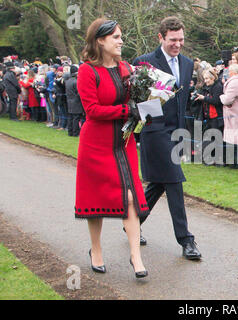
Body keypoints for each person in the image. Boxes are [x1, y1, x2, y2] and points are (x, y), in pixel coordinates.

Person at [76, 18, 149, 278]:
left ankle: (135, 257)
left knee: (130, 197)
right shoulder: (87, 71)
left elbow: (138, 101)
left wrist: (146, 108)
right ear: (100, 40)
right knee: (95, 199)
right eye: (116, 37)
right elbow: (92, 111)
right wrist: (125, 110)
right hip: (96, 143)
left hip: (124, 141)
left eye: (121, 36)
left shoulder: (127, 68)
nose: (121, 41)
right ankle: (96, 250)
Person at [133, 16, 201, 260]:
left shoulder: (186, 63)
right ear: (160, 38)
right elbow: (138, 99)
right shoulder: (144, 62)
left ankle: (133, 221)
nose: (178, 44)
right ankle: (186, 240)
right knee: (174, 182)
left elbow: (182, 102)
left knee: (160, 184)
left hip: (177, 133)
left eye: (181, 39)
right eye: (173, 40)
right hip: (155, 130)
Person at [219, 63, 238, 169]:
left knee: (236, 137)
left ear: (233, 72)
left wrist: (221, 96)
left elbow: (227, 99)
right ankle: (237, 161)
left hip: (234, 113)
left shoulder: (235, 82)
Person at [194, 68, 224, 165]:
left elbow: (216, 101)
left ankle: (218, 159)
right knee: (207, 138)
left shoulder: (218, 87)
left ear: (213, 78)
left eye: (207, 78)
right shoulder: (205, 87)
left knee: (217, 138)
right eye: (205, 79)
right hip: (208, 116)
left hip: (216, 116)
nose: (206, 81)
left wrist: (204, 98)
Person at [65, 65, 84, 137]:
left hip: (70, 101)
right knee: (76, 118)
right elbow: (79, 93)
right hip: (76, 102)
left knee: (71, 117)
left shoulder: (68, 81)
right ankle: (75, 133)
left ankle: (70, 132)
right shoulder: (76, 82)